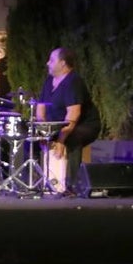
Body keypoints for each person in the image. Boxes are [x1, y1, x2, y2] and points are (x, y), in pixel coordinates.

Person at [36, 47, 100, 194]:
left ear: (63, 63)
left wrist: (61, 140)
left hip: (82, 125)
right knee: (30, 140)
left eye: (52, 60)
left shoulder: (73, 82)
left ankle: (73, 185)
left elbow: (73, 115)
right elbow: (41, 108)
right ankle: (36, 183)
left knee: (73, 139)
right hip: (58, 126)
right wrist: (43, 132)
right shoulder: (49, 81)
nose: (47, 63)